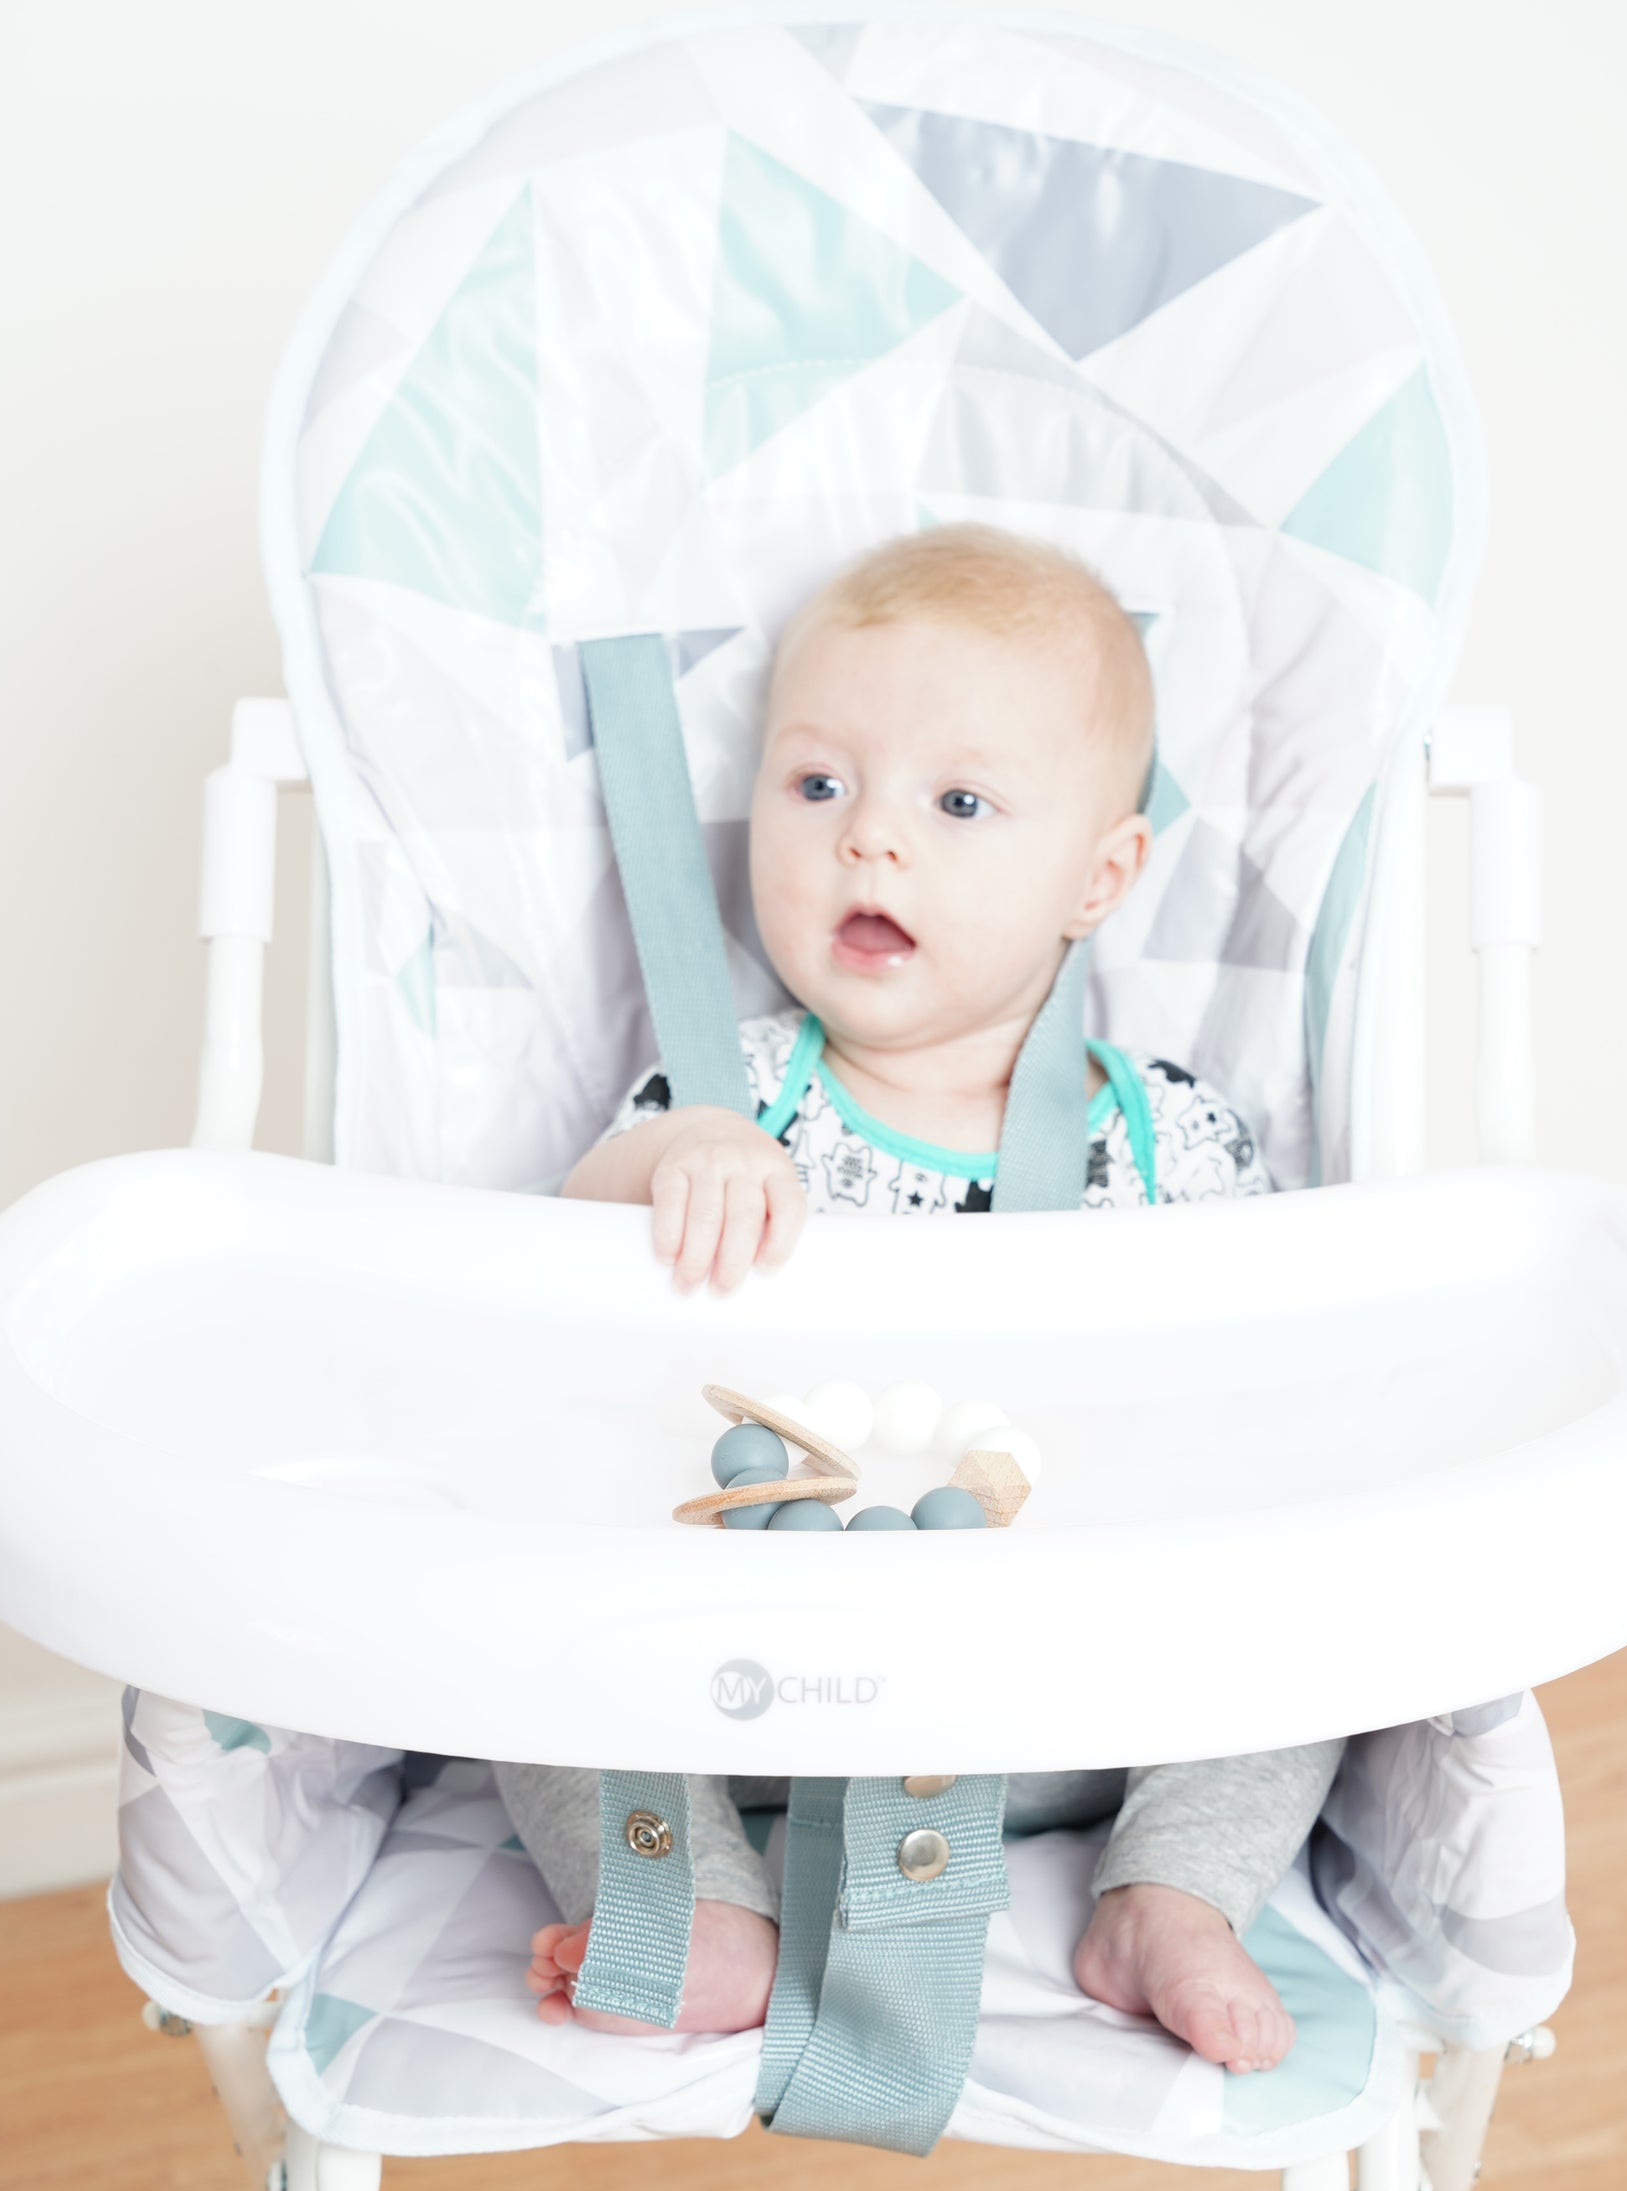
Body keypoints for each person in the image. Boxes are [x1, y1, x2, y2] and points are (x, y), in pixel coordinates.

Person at [499, 524, 1339, 2074]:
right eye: (818, 787)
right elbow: (561, 1295)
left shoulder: (1164, 1135)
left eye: (957, 804)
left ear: (1099, 878)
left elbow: (1273, 1384)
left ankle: (1167, 1892)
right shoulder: (729, 1096)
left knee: (1316, 1644)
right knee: (522, 1646)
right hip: (741, 1688)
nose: (868, 841)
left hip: (1072, 1705)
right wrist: (664, 1162)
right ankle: (701, 1907)